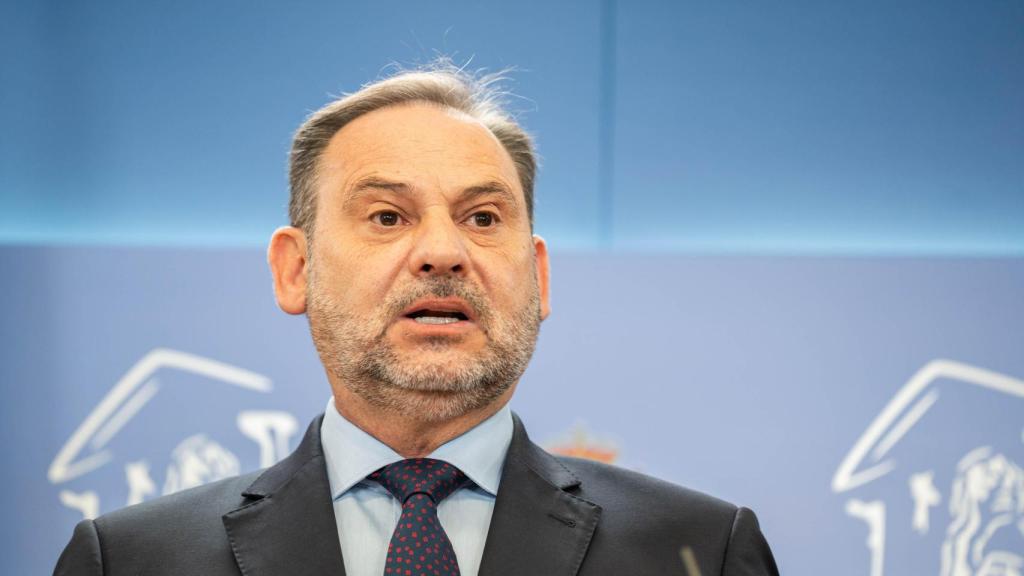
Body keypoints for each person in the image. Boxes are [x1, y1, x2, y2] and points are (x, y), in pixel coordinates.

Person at [54, 63, 779, 576]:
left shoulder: (699, 550)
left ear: (539, 274)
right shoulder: (132, 560)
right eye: (387, 215)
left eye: (483, 216)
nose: (442, 252)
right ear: (295, 269)